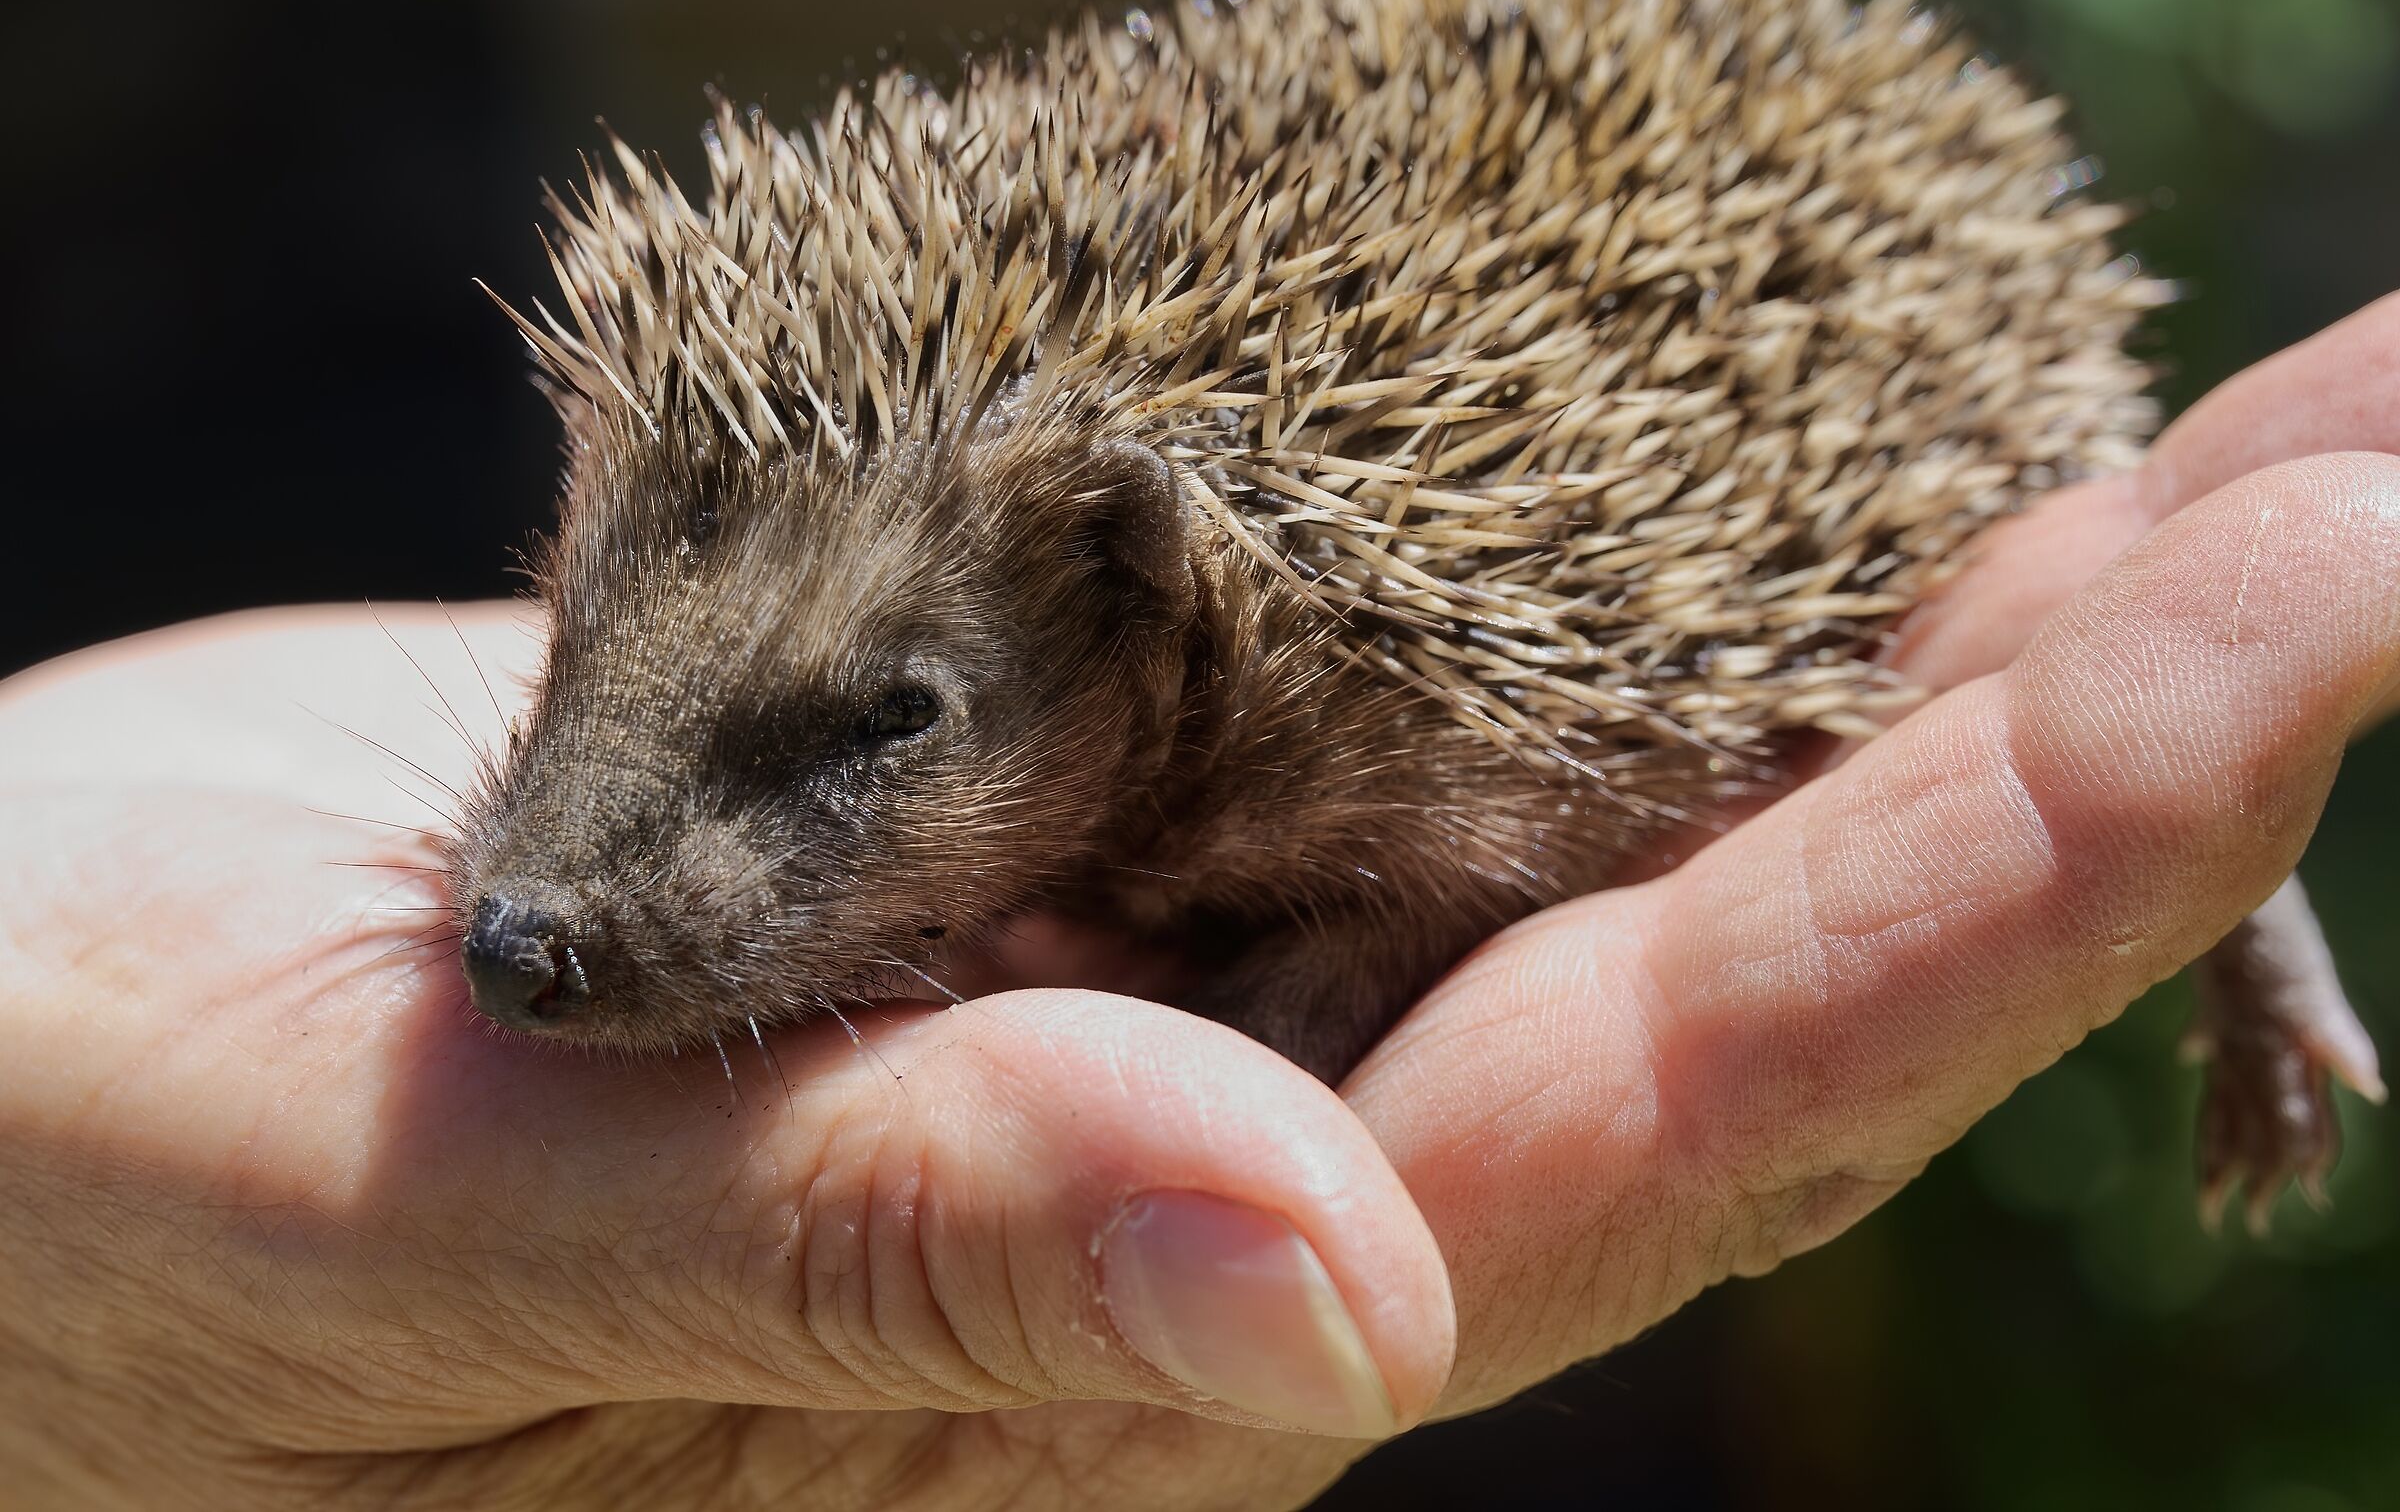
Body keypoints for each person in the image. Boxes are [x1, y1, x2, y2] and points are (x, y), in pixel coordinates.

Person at [2, 294, 2395, 1512]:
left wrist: (1326, 980)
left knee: (2129, 685)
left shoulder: (1403, 717)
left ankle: (2245, 872)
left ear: (1152, 603)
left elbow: (1542, 802)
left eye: (863, 730)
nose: (537, 896)